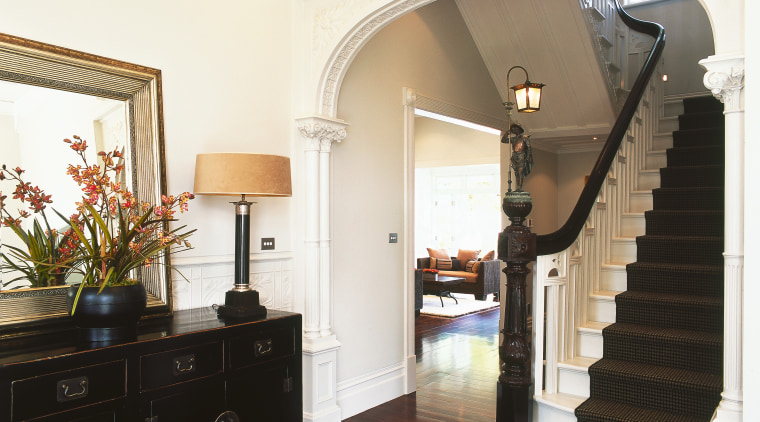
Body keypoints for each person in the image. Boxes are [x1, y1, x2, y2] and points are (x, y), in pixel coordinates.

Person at [502, 123, 533, 191]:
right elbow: (503, 140)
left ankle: (519, 187)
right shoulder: (513, 139)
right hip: (515, 157)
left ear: (519, 130)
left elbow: (529, 147)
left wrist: (528, 157)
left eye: (516, 129)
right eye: (513, 129)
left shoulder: (524, 138)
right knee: (516, 173)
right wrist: (507, 133)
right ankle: (518, 187)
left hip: (521, 157)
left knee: (520, 172)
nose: (514, 130)